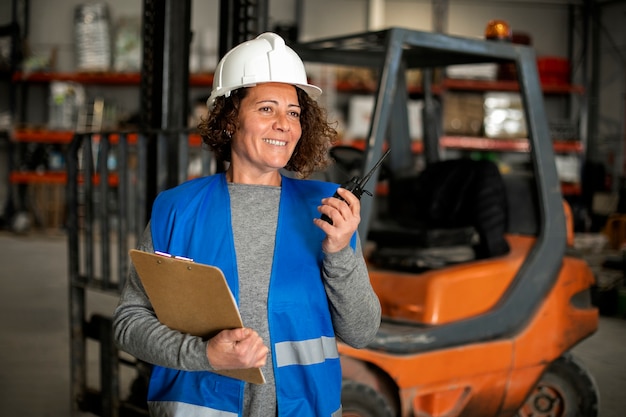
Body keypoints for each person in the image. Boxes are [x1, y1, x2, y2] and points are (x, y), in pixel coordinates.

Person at [113, 32, 381, 417]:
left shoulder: (326, 210)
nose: (284, 125)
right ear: (228, 121)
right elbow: (128, 322)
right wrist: (203, 353)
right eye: (267, 109)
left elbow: (361, 331)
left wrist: (339, 253)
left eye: (293, 112)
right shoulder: (178, 209)